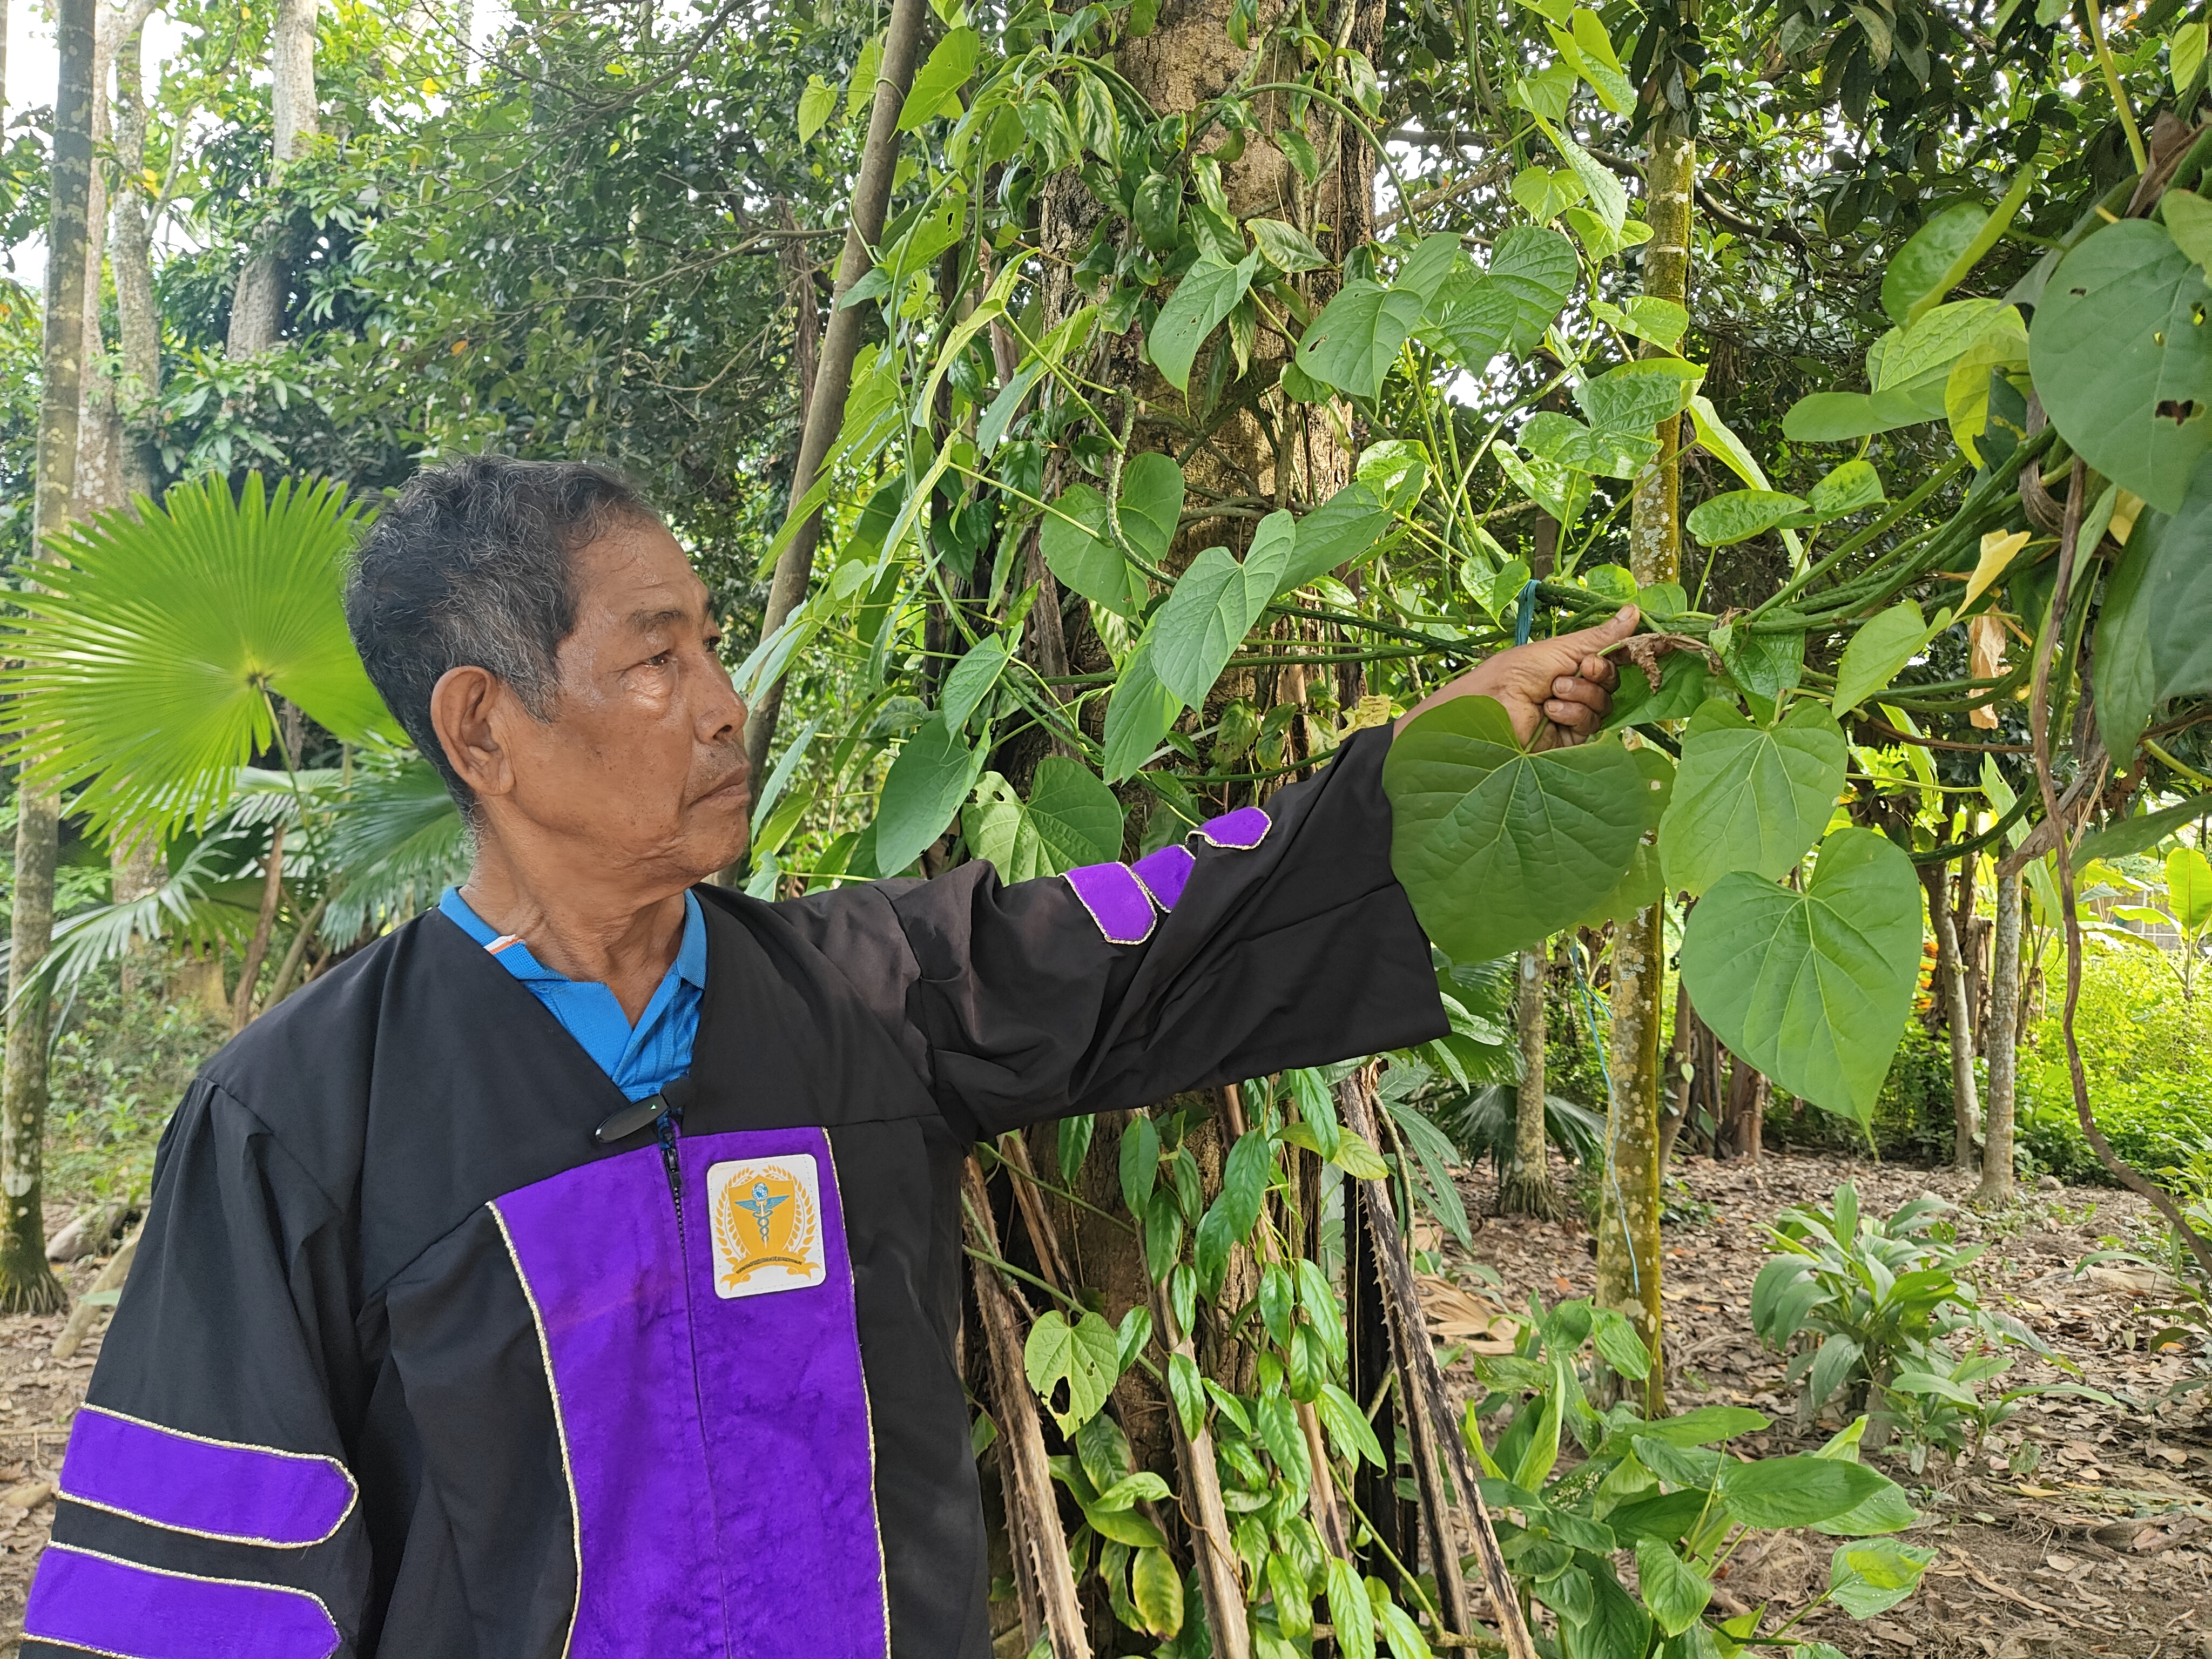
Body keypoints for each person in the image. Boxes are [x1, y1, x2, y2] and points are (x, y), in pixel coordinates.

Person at [21, 456, 1629, 1659]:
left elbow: (1176, 926)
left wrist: (1428, 754)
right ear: (482, 728)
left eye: (716, 647)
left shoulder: (876, 1000)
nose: (727, 706)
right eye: (657, 659)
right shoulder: (299, 1123)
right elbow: (197, 1596)